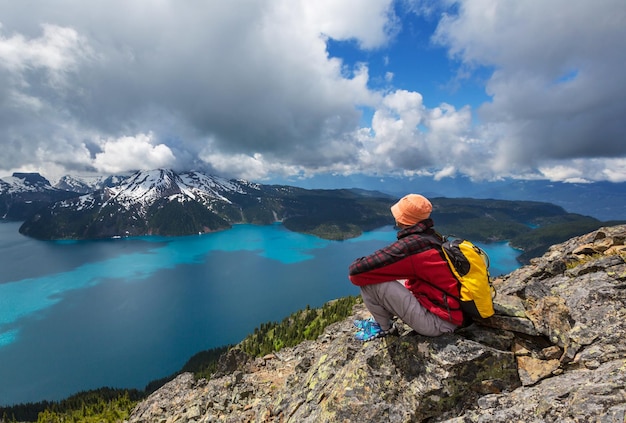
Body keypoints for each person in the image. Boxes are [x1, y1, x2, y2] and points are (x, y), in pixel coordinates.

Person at [348, 194, 462, 341]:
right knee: (392, 275)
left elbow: (356, 272)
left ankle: (384, 328)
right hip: (450, 311)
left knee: (369, 281)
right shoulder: (432, 237)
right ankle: (383, 319)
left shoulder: (411, 246)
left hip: (437, 323)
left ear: (402, 218)